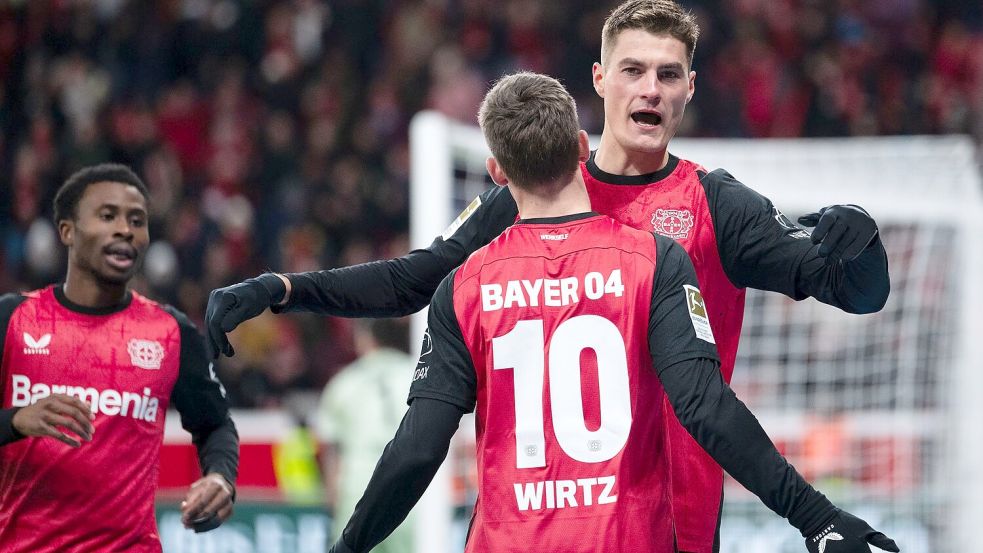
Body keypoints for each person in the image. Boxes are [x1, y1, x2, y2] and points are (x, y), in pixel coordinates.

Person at [205, 1, 890, 551]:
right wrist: (287, 288)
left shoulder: (714, 204)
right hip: (556, 515)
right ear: (598, 79)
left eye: (667, 73)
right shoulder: (531, 193)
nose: (650, 88)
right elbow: (411, 279)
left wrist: (860, 238)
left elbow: (854, 290)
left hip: (668, 516)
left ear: (688, 89)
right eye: (633, 70)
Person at [0, 164, 239, 552]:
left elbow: (215, 424)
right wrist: (15, 420)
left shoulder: (171, 333)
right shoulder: (11, 319)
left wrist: (220, 478)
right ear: (67, 231)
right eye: (107, 216)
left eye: (137, 220)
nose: (125, 230)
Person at [316, 318, 417, 553]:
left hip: (357, 489)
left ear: (364, 337)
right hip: (411, 490)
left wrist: (333, 497)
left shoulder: (343, 383)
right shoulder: (419, 374)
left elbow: (330, 449)